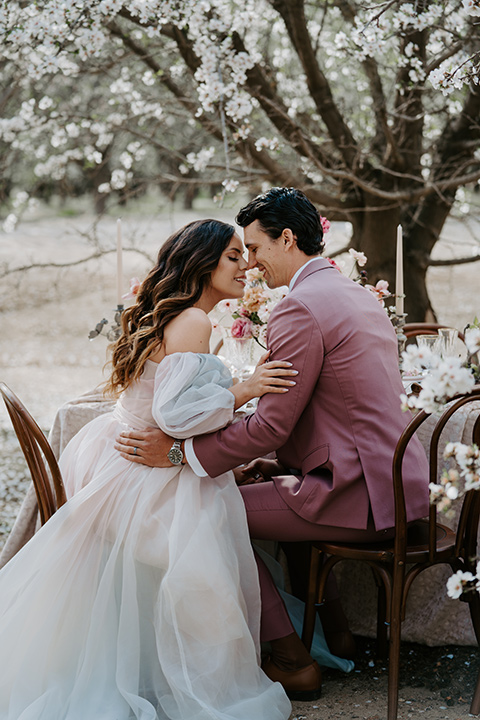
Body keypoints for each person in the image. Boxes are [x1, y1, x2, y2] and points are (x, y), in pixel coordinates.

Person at [116, 187, 430, 699]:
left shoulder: (301, 308)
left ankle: (291, 658)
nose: (252, 264)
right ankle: (339, 636)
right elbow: (330, 411)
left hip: (354, 494)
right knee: (231, 491)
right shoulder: (353, 293)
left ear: (288, 239)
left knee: (210, 513)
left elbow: (270, 427)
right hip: (397, 484)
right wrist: (265, 461)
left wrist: (178, 454)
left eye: (256, 249)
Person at [0, 219, 295, 720]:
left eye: (244, 255)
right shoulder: (195, 322)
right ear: (201, 264)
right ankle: (215, 672)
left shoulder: (175, 316)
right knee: (209, 553)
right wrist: (243, 390)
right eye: (232, 256)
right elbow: (174, 416)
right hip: (144, 474)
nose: (245, 265)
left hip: (111, 456)